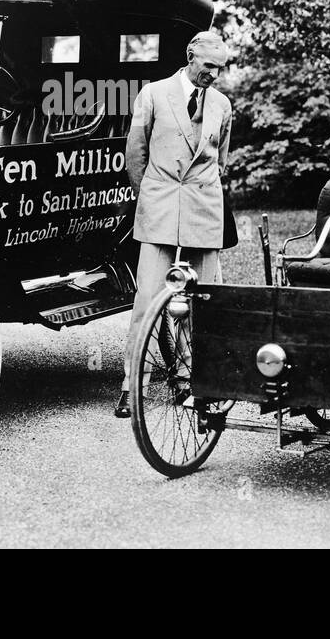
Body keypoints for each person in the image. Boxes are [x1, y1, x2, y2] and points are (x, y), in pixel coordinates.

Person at [115, 30, 232, 417]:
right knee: (148, 299)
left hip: (204, 207)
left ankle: (195, 380)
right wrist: (149, 197)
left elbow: (220, 162)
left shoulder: (222, 105)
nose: (213, 75)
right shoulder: (153, 94)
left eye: (220, 68)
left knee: (205, 301)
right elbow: (136, 154)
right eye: (208, 66)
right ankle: (133, 386)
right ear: (190, 57)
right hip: (161, 205)